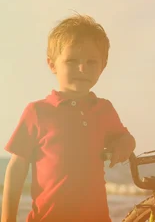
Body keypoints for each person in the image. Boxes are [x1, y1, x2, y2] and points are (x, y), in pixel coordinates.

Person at [2, 14, 136, 222]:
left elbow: (126, 138)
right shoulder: (37, 112)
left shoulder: (104, 109)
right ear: (52, 65)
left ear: (103, 66)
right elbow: (16, 169)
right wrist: (7, 218)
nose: (82, 69)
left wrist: (123, 144)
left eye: (91, 62)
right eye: (72, 61)